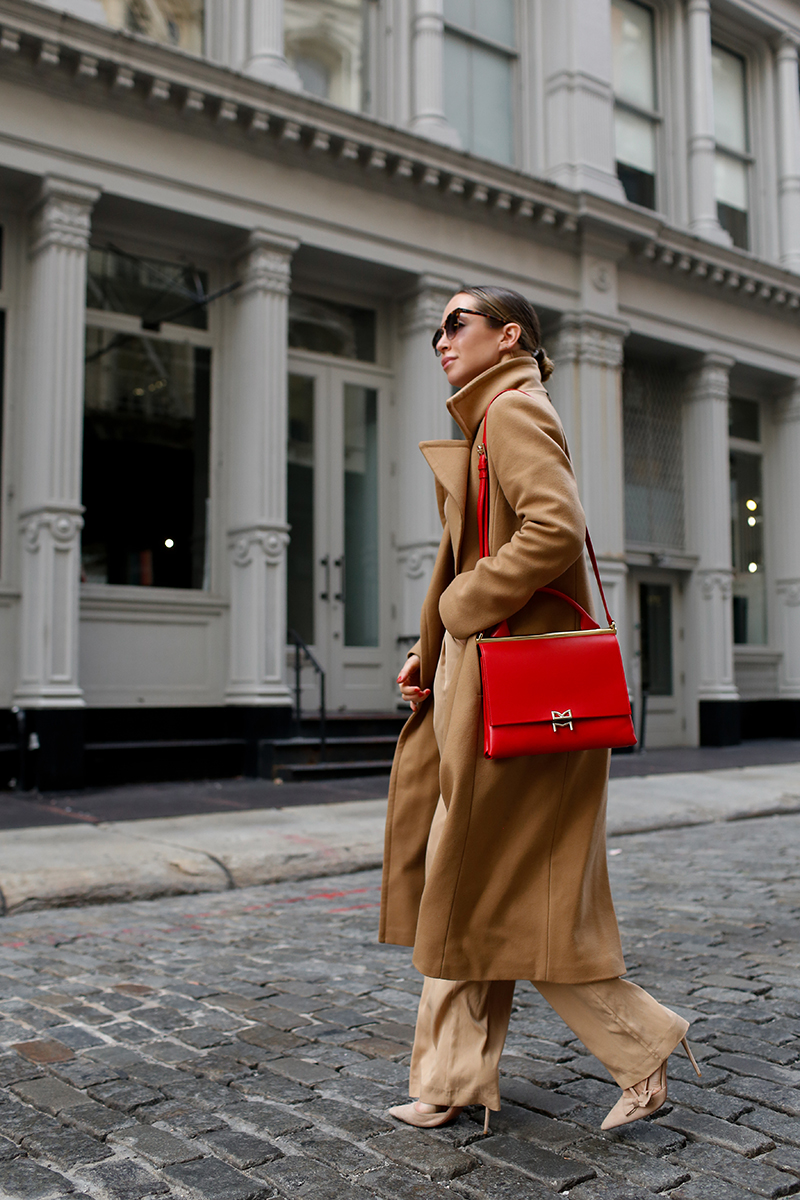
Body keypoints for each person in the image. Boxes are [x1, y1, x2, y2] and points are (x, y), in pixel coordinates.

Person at [378, 285, 699, 1135]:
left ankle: (642, 1046)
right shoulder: (487, 418)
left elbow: (554, 530)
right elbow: (480, 548)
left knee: (494, 889)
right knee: (468, 884)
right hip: (485, 679)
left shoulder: (513, 413)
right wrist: (432, 646)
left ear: (507, 334)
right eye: (435, 328)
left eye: (457, 323)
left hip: (516, 695)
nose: (440, 339)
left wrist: (459, 613)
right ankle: (449, 1082)